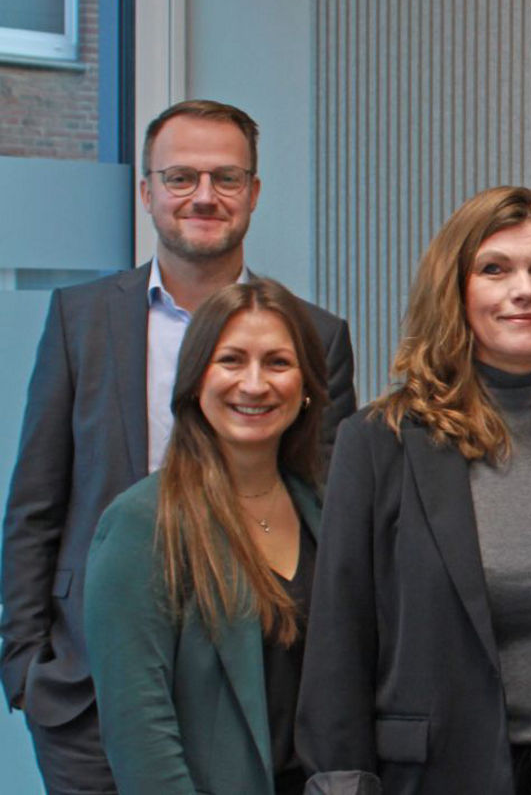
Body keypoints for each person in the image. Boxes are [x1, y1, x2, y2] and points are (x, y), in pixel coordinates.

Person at [0, 99, 356, 793]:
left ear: (253, 192)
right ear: (147, 192)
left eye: (226, 178)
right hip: (90, 692)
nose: (203, 196)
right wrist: (26, 670)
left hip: (250, 688)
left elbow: (331, 508)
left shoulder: (315, 336)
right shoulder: (82, 320)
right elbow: (35, 505)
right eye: (180, 177)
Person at [296, 186, 531, 794]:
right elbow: (340, 639)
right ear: (456, 289)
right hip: (443, 775)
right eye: (495, 269)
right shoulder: (380, 441)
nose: (524, 290)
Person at [83, 278, 326, 795]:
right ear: (196, 379)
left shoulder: (326, 511)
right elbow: (141, 735)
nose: (255, 384)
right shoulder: (141, 523)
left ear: (307, 386)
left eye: (278, 363)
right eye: (231, 360)